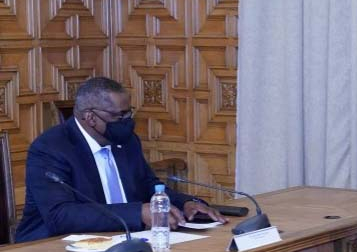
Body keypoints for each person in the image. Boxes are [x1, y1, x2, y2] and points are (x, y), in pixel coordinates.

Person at [16, 77, 227, 242]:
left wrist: (187, 203)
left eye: (128, 114)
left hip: (122, 239)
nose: (127, 122)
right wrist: (137, 213)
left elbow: (149, 186)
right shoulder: (50, 148)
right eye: (119, 116)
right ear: (90, 117)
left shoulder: (126, 141)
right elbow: (60, 216)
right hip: (53, 248)